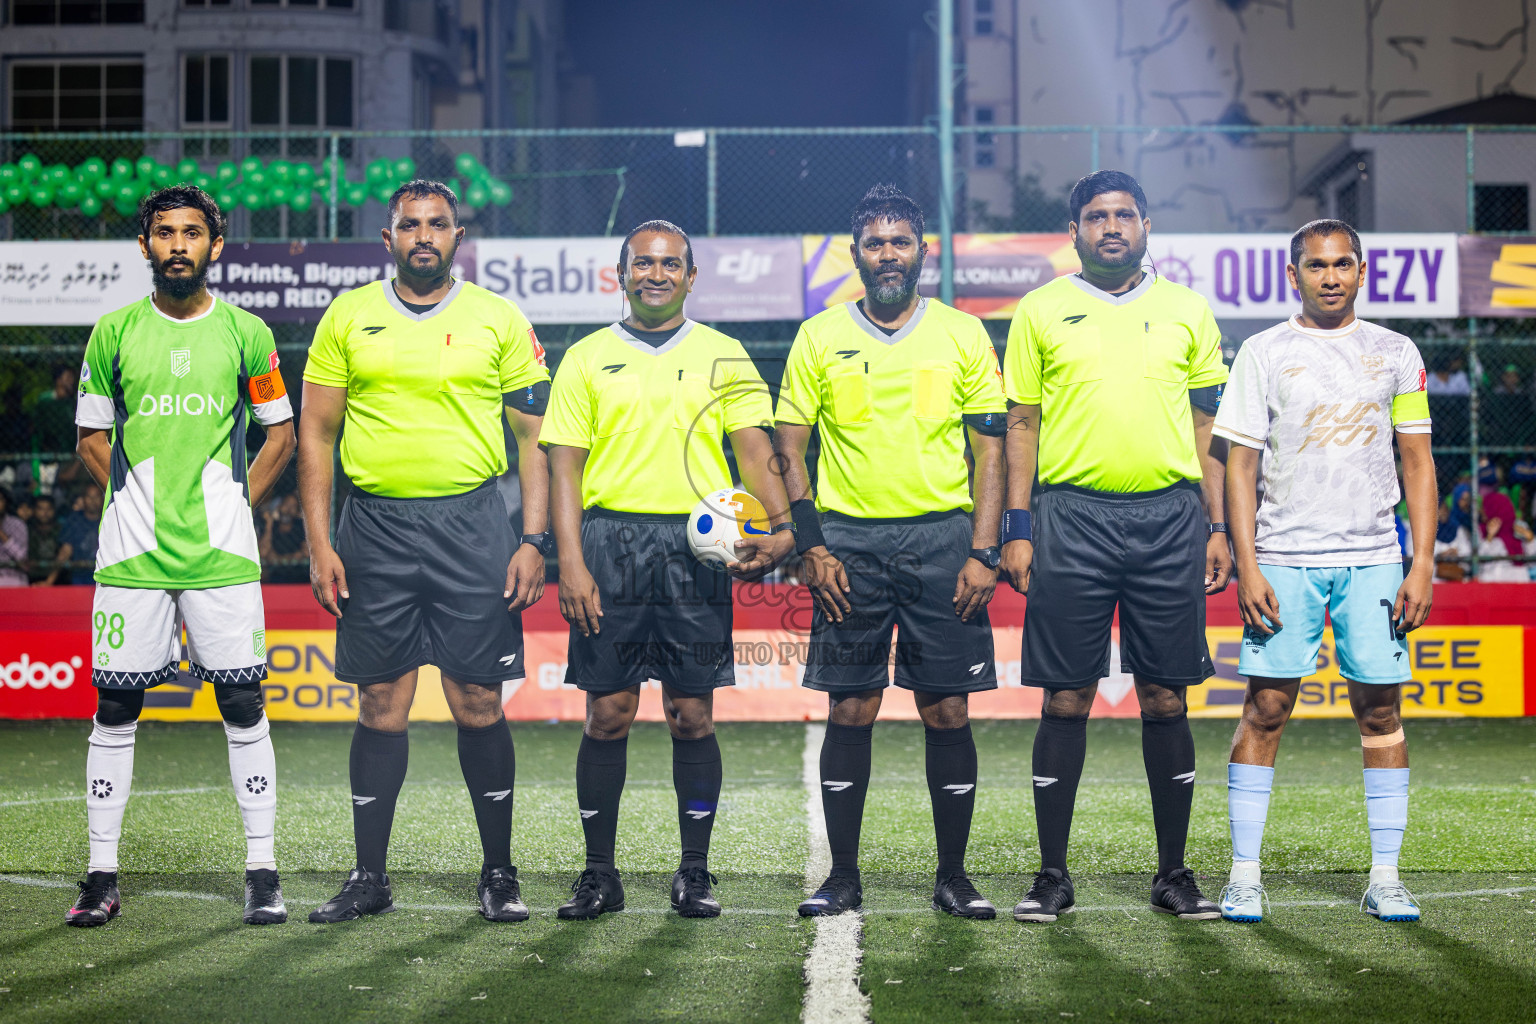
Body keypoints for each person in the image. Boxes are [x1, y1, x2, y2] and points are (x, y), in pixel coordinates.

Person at [299, 180, 550, 924]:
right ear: (388, 239)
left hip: (473, 526)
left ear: (457, 237)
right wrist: (320, 542)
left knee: (478, 700)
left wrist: (533, 540)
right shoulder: (348, 315)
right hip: (372, 528)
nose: (423, 235)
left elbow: (535, 438)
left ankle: (499, 873)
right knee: (382, 702)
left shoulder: (498, 318)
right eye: (409, 223)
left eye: (437, 224)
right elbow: (314, 434)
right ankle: (368, 877)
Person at [542, 220, 793, 920]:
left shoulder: (725, 355)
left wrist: (780, 531)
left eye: (670, 264)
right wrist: (571, 562)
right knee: (608, 714)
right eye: (643, 263)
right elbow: (564, 467)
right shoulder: (587, 357)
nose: (656, 274)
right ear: (621, 274)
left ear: (691, 277)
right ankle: (599, 875)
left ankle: (694, 872)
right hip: (609, 544)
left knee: (691, 715)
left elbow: (754, 450)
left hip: (694, 552)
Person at [1001, 169, 1231, 924]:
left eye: (1124, 214)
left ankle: (1174, 874)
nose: (1110, 226)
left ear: (1146, 225)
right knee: (1065, 696)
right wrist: (1018, 525)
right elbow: (1023, 427)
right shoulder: (1040, 310)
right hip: (1070, 519)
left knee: (1166, 695)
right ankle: (1051, 877)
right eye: (1095, 216)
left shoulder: (1187, 310)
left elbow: (1207, 429)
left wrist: (1218, 525)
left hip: (1169, 521)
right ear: (1072, 231)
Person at [64, 185, 296, 927]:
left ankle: (262, 870)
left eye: (191, 233)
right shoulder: (112, 332)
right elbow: (91, 440)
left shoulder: (249, 334)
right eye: (164, 233)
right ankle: (101, 873)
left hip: (221, 559)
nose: (177, 246)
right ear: (145, 246)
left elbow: (280, 433)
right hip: (131, 559)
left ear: (214, 246)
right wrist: (128, 501)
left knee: (241, 702)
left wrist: (235, 505)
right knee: (116, 705)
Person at [774, 184, 1008, 919]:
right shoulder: (818, 336)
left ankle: (954, 876)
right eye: (874, 243)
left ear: (922, 251)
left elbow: (989, 451)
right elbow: (789, 449)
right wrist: (810, 546)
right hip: (849, 545)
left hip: (944, 540)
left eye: (899, 241)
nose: (888, 255)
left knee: (947, 711)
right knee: (852, 708)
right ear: (855, 254)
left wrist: (984, 549)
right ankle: (842, 876)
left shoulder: (963, 335)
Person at [1215, 219, 1436, 923]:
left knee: (1380, 710)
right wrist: (1248, 565)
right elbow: (1239, 465)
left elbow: (1418, 461)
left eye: (1343, 264)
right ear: (1294, 275)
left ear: (1362, 271)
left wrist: (1422, 561)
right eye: (1317, 266)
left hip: (1374, 558)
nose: (1331, 276)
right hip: (1283, 557)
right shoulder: (1263, 352)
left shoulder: (1396, 352)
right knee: (1266, 709)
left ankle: (1386, 876)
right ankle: (1244, 874)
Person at [56, 484, 104, 585]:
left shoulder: (108, 519)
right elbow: (65, 551)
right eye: (89, 497)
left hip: (104, 575)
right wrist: (49, 581)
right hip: (79, 576)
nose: (93, 501)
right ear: (83, 499)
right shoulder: (74, 519)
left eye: (96, 497)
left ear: (103, 498)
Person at [257, 492, 308, 584]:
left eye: (293, 507)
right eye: (286, 504)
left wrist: (278, 559)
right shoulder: (272, 527)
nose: (288, 510)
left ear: (297, 512)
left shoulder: (300, 527)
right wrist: (269, 523)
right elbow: (263, 553)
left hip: (298, 574)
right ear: (279, 507)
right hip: (275, 574)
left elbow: (306, 553)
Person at [26, 493, 63, 585]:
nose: (45, 513)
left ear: (54, 510)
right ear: (34, 510)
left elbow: (64, 555)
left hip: (58, 577)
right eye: (41, 509)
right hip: (31, 576)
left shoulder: (60, 530)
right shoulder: (27, 528)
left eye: (48, 509)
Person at [0, 488, 26, 587]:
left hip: (13, 579)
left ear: (6, 502)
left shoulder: (17, 524)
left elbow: (22, 561)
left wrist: (2, 535)